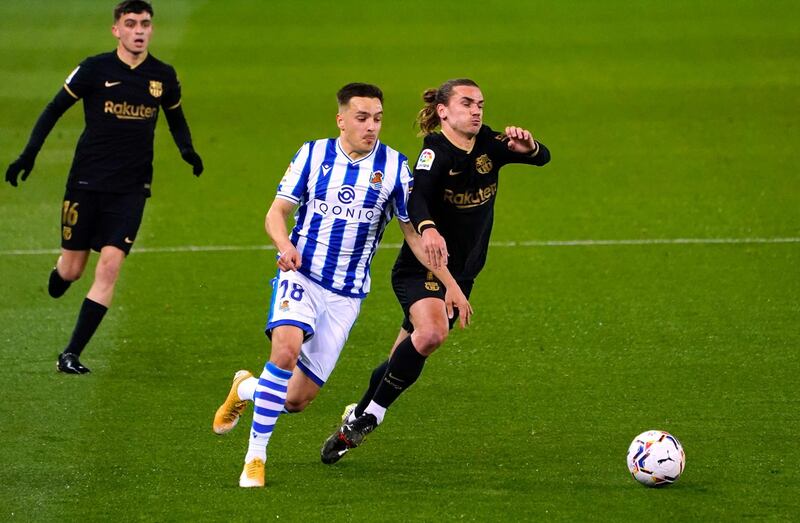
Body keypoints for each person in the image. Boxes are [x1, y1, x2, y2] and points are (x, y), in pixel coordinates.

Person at [211, 83, 469, 488]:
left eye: (378, 119)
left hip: (345, 296)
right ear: (342, 119)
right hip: (301, 276)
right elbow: (276, 212)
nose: (371, 126)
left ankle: (245, 387)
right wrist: (284, 246)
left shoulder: (396, 167)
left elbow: (413, 236)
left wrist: (449, 284)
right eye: (363, 118)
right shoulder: (312, 154)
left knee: (296, 400)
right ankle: (255, 458)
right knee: (284, 351)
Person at [320, 78, 551, 464]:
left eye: (480, 104)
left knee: (402, 358)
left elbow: (542, 158)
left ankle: (354, 421)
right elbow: (419, 195)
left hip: (465, 270)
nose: (477, 110)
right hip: (422, 267)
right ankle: (372, 417)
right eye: (467, 104)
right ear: (443, 112)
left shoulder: (491, 146)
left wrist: (530, 148)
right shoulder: (435, 153)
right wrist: (427, 229)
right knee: (431, 333)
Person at [4, 0, 203, 374]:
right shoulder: (95, 69)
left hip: (131, 188)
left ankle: (71, 353)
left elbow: (176, 118)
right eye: (131, 24)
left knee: (109, 266)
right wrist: (28, 154)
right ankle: (61, 270)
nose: (139, 30)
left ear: (151, 29)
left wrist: (187, 151)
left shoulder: (163, 75)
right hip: (86, 182)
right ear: (117, 30)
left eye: (145, 23)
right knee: (74, 269)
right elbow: (53, 109)